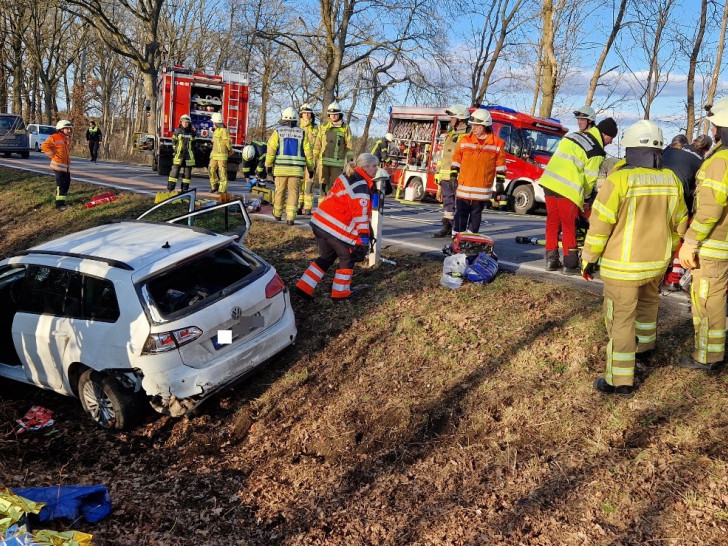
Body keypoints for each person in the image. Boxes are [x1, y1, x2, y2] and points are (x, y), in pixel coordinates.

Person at [582, 120, 688, 397]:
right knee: (648, 307)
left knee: (621, 320)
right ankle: (646, 348)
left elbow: (600, 225)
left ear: (629, 147)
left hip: (623, 268)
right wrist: (668, 255)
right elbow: (679, 225)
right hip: (656, 265)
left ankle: (620, 381)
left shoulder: (619, 179)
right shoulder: (672, 180)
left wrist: (588, 258)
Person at [677, 97, 728, 371]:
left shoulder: (720, 162)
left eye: (715, 125)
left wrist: (691, 240)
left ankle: (708, 357)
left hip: (713, 246)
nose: (711, 131)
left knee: (708, 300)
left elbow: (710, 208)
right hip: (722, 244)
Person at [539, 110, 618, 274]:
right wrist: (587, 198)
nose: (610, 143)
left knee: (553, 222)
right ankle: (570, 264)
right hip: (568, 188)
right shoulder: (596, 151)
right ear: (605, 134)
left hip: (549, 182)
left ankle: (551, 261)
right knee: (569, 225)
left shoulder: (573, 136)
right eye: (611, 138)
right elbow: (589, 180)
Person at [295, 153, 378, 301]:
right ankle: (340, 293)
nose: (377, 170)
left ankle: (303, 287)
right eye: (374, 166)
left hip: (320, 223)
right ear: (365, 167)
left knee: (327, 257)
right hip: (334, 227)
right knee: (348, 257)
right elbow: (361, 215)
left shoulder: (347, 175)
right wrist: (363, 238)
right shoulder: (361, 186)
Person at [450, 108, 506, 234]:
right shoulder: (465, 140)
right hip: (464, 188)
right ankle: (457, 242)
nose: (473, 128)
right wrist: (453, 176)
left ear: (485, 125)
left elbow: (501, 165)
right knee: (460, 216)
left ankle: (470, 243)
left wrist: (500, 183)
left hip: (482, 190)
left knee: (475, 218)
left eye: (476, 125)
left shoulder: (497, 143)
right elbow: (456, 160)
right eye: (472, 125)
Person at [661, 134, 705, 290]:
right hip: (679, 197)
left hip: (657, 191)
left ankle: (658, 274)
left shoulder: (671, 150)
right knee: (680, 235)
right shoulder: (701, 161)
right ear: (705, 150)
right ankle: (674, 277)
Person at [265, 107, 315, 225]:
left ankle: (277, 214)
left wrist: (268, 165)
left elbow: (271, 150)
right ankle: (290, 218)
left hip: (280, 169)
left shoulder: (278, 132)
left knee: (280, 191)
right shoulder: (302, 133)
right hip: (296, 171)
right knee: (293, 193)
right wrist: (310, 168)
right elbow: (308, 152)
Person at [433, 104, 470, 238]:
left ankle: (458, 229)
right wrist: (439, 180)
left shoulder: (467, 136)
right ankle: (448, 226)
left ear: (460, 118)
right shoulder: (450, 135)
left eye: (452, 117)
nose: (450, 119)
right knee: (448, 203)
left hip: (459, 177)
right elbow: (444, 159)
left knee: (459, 204)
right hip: (446, 177)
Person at [314, 101, 353, 206]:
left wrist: (350, 162)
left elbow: (349, 146)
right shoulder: (323, 127)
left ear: (340, 114)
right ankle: (322, 207)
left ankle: (333, 207)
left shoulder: (345, 127)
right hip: (323, 163)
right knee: (323, 186)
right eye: (331, 114)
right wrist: (313, 160)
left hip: (337, 164)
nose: (333, 116)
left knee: (335, 187)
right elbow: (317, 145)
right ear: (328, 115)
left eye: (336, 114)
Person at [41, 119, 73, 211]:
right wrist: (53, 156)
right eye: (67, 129)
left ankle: (63, 200)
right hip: (58, 166)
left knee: (67, 183)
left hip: (65, 166)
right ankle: (59, 204)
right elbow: (44, 146)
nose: (69, 131)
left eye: (70, 129)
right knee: (61, 184)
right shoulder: (54, 137)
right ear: (61, 129)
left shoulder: (66, 138)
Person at [298, 103, 319, 215]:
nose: (307, 115)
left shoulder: (316, 128)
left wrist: (314, 159)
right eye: (305, 113)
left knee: (309, 184)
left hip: (311, 161)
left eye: (309, 113)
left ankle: (308, 207)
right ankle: (299, 205)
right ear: (301, 114)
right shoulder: (297, 127)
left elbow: (318, 144)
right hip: (299, 160)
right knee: (299, 183)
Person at [168, 114, 195, 192]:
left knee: (187, 174)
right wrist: (176, 150)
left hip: (189, 156)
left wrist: (193, 151)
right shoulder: (177, 131)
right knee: (174, 172)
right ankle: (170, 189)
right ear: (181, 122)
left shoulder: (192, 133)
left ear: (189, 123)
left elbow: (194, 143)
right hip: (179, 155)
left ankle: (185, 189)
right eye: (183, 122)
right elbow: (174, 142)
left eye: (186, 122)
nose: (185, 124)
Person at [208, 112, 233, 194]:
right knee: (211, 170)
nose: (213, 124)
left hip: (222, 155)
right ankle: (214, 186)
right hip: (214, 155)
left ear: (216, 123)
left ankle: (222, 189)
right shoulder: (216, 131)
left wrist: (230, 150)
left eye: (213, 123)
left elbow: (227, 141)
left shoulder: (224, 131)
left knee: (222, 172)